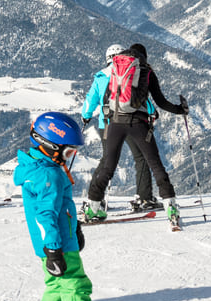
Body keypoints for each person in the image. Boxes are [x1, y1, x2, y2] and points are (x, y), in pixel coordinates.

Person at [14, 111, 126, 301]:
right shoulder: (48, 175)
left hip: (56, 243)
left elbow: (60, 209)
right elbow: (45, 216)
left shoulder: (41, 169)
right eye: (68, 152)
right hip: (58, 246)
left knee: (56, 286)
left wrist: (75, 230)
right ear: (50, 146)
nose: (72, 156)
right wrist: (55, 248)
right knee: (76, 286)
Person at [81, 43, 189, 229]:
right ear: (143, 56)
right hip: (138, 124)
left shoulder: (114, 69)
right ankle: (171, 208)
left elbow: (106, 98)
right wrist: (180, 110)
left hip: (114, 123)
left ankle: (93, 208)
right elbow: (161, 101)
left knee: (107, 167)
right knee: (155, 165)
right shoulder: (146, 70)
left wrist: (92, 117)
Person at [79, 44, 161, 212]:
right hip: (131, 121)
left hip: (107, 124)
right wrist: (153, 112)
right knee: (142, 158)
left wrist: (86, 116)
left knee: (107, 161)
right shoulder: (131, 71)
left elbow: (90, 99)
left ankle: (95, 199)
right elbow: (141, 99)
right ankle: (144, 198)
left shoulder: (100, 76)